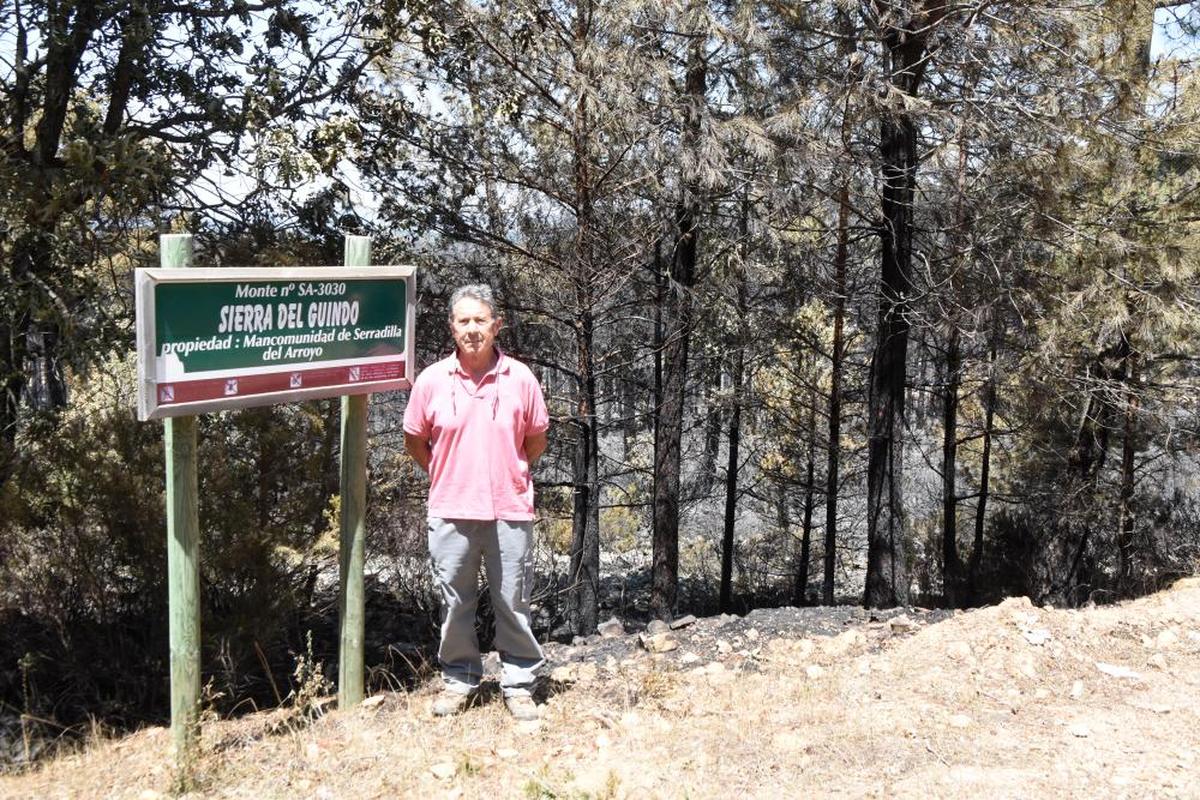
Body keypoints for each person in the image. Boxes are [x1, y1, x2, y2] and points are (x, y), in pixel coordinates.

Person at [403, 284, 549, 720]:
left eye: (479, 320)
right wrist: (444, 471)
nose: (471, 329)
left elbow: (535, 440)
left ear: (496, 325)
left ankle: (519, 682)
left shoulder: (520, 378)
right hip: (451, 509)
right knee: (455, 604)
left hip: (509, 509)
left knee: (512, 603)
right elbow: (415, 439)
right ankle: (458, 679)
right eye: (463, 321)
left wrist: (509, 471)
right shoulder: (431, 381)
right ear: (452, 328)